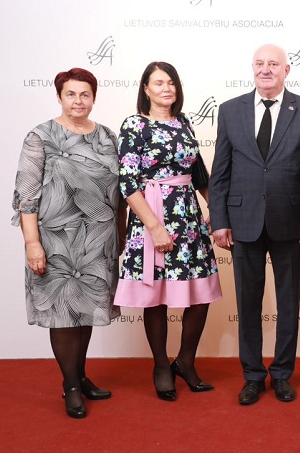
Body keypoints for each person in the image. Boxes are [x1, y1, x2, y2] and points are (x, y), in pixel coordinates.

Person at [209, 44, 300, 405]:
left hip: (292, 224)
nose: (265, 69)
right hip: (242, 222)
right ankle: (253, 376)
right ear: (252, 68)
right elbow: (220, 173)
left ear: (286, 70)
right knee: (248, 304)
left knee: (289, 304)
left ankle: (283, 374)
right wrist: (219, 220)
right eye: (259, 63)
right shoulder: (230, 110)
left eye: (273, 64)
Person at [12, 68, 124, 418]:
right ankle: (71, 386)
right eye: (71, 94)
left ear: (94, 97)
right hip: (56, 239)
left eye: (85, 94)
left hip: (99, 239)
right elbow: (26, 195)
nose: (78, 101)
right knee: (63, 312)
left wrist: (120, 235)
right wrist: (32, 243)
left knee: (86, 308)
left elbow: (120, 191)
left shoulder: (107, 136)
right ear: (59, 97)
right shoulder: (41, 136)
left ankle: (81, 375)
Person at [115, 61, 222, 401]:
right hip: (152, 215)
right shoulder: (135, 125)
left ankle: (185, 361)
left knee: (201, 293)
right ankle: (161, 365)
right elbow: (128, 182)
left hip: (188, 218)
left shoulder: (184, 122)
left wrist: (215, 210)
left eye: (171, 82)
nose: (166, 88)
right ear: (145, 89)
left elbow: (199, 173)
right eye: (159, 83)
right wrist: (154, 227)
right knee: (156, 296)